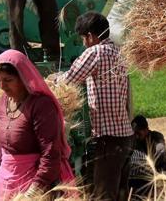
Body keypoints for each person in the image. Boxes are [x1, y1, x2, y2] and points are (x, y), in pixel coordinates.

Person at [56, 11, 134, 201]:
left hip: (108, 139)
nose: (83, 43)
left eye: (83, 38)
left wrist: (52, 79)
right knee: (119, 194)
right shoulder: (120, 52)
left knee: (103, 196)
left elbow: (68, 80)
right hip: (124, 136)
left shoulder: (95, 52)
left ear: (90, 36)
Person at [0, 50, 75, 200]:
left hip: (33, 185)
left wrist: (32, 193)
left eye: (8, 80)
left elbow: (50, 153)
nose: (2, 86)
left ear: (23, 78)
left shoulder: (41, 105)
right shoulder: (4, 102)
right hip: (6, 184)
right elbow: (2, 145)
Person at [129, 115, 166, 198]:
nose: (136, 136)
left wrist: (153, 170)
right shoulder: (135, 140)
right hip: (144, 175)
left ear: (146, 130)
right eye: (134, 133)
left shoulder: (156, 136)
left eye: (138, 132)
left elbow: (161, 152)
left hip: (160, 171)